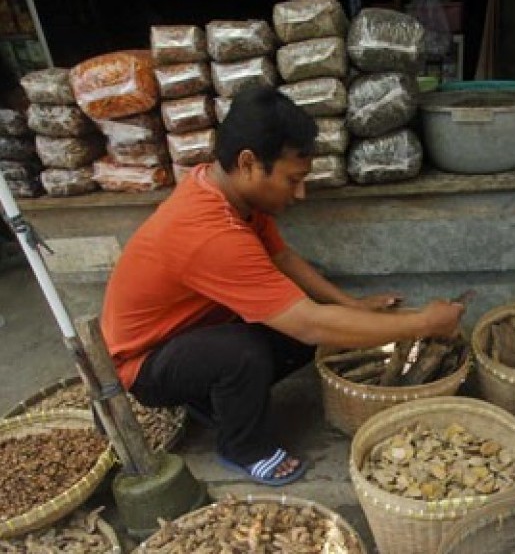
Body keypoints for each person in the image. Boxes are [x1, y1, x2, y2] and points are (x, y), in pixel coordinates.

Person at [101, 86, 464, 486]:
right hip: (145, 365)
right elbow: (310, 324)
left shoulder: (229, 193)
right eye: (293, 179)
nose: (301, 193)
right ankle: (243, 447)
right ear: (249, 163)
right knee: (247, 352)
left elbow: (282, 259)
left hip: (188, 334)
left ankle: (211, 398)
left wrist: (353, 305)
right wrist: (424, 323)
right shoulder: (209, 232)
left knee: (305, 329)